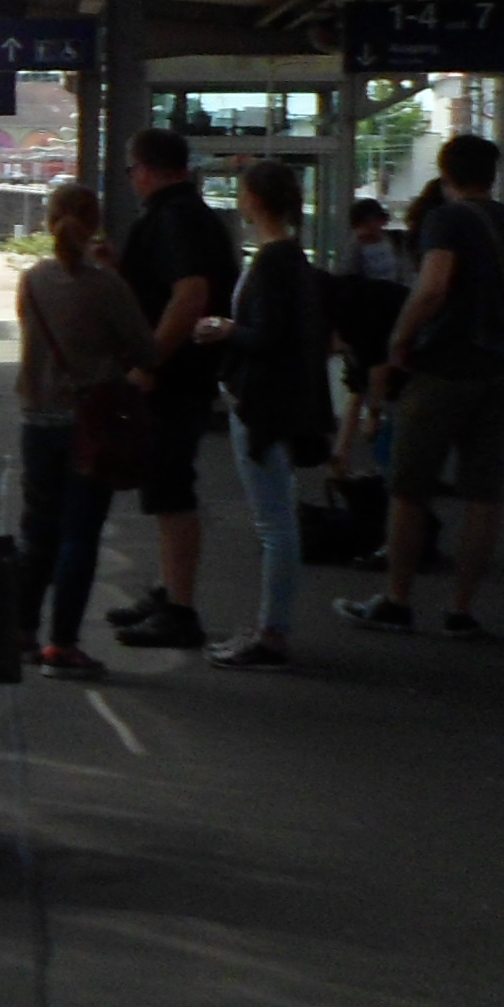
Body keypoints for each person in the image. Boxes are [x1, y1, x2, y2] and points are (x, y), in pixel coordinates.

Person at [339, 133, 504, 637]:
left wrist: (400, 340)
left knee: (409, 487)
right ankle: (462, 609)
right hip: (500, 371)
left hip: (442, 368)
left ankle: (397, 600)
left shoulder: (448, 220)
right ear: (493, 175)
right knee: (483, 495)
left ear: (446, 175)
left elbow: (433, 287)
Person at [12, 178, 160, 680]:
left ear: (49, 221)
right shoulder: (106, 285)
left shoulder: (32, 281)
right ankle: (63, 645)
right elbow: (145, 350)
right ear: (94, 224)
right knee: (79, 534)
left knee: (37, 530)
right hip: (89, 426)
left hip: (36, 420)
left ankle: (22, 631)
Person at [194, 159, 333, 670]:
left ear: (254, 200)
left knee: (274, 523)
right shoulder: (288, 258)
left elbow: (269, 337)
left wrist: (226, 331)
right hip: (272, 401)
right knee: (276, 518)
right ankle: (271, 627)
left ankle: (272, 632)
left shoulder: (274, 263)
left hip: (260, 404)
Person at [104, 130, 240, 649]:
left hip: (174, 379)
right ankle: (168, 591)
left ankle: (181, 609)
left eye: (131, 170)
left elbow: (190, 293)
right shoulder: (191, 215)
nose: (131, 180)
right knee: (164, 487)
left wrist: (150, 360)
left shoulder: (174, 218)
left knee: (170, 488)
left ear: (145, 169)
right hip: (187, 376)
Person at [331, 196, 411, 480]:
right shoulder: (357, 248)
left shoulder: (391, 243)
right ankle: (369, 445)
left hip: (385, 316)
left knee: (361, 387)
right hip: (373, 321)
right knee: (373, 382)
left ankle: (345, 453)